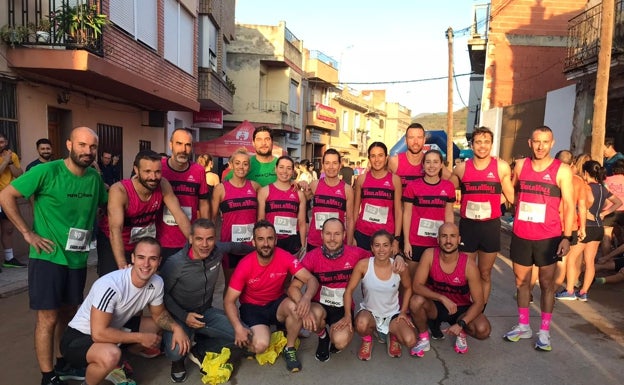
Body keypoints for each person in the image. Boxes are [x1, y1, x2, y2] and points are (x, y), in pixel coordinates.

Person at [0, 127, 107, 385]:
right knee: (47, 317)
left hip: (77, 258)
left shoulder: (93, 178)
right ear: (69, 144)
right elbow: (6, 195)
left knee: (69, 313)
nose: (87, 151)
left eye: (92, 147)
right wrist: (27, 233)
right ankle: (47, 376)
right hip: (48, 256)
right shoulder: (47, 171)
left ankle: (64, 361)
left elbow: (106, 202)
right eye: (82, 145)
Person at [59, 237, 190, 385]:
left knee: (156, 325)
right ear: (133, 258)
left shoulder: (157, 282)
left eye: (152, 259)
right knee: (111, 355)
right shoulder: (111, 285)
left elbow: (159, 314)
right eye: (141, 257)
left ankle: (125, 356)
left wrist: (176, 328)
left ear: (159, 261)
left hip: (114, 327)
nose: (146, 264)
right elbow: (98, 333)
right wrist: (140, 338)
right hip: (79, 338)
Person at [291, 218, 406, 362]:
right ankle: (322, 337)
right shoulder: (312, 256)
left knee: (340, 341)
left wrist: (399, 256)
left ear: (344, 235)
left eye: (337, 234)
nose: (332, 239)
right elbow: (294, 287)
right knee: (311, 317)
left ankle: (333, 336)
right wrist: (304, 305)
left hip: (343, 306)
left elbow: (381, 253)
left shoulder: (355, 253)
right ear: (321, 235)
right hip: (319, 304)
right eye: (328, 234)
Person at [503, 126, 574, 352]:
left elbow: (570, 205)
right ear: (530, 143)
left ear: (552, 143)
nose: (541, 146)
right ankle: (524, 326)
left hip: (549, 236)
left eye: (545, 142)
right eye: (536, 141)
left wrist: (567, 237)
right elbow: (514, 193)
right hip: (522, 234)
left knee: (546, 285)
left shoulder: (561, 170)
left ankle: (544, 332)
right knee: (521, 283)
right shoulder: (522, 165)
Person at [159, 219, 253, 382]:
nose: (205, 244)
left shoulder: (217, 251)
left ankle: (199, 349)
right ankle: (178, 361)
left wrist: (257, 249)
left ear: (215, 239)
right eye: (199, 239)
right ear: (190, 239)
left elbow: (234, 246)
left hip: (205, 312)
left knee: (244, 336)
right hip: (180, 316)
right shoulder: (175, 263)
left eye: (209, 239)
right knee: (176, 351)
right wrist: (183, 316)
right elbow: (162, 295)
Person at [224, 220, 319, 373]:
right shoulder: (244, 265)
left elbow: (311, 279)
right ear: (253, 242)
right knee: (261, 345)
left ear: (275, 240)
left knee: (296, 308)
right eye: (261, 239)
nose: (266, 244)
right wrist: (237, 327)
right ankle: (255, 334)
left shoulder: (285, 257)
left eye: (270, 238)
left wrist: (306, 299)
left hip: (276, 303)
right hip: (253, 308)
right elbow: (228, 301)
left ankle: (289, 348)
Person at [97, 150, 192, 276]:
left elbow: (179, 215)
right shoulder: (120, 191)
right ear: (136, 170)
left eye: (157, 172)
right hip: (113, 241)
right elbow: (115, 230)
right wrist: (122, 265)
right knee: (114, 281)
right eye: (147, 171)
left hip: (139, 243)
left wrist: (194, 241)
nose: (153, 177)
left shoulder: (163, 184)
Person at [451, 126, 514, 307]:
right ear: (472, 145)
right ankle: (466, 307)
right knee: (466, 272)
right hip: (468, 227)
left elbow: (511, 197)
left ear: (492, 144)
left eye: (486, 142)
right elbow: (445, 190)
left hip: (490, 227)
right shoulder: (462, 168)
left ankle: (480, 309)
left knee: (485, 273)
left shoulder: (500, 167)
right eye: (478, 142)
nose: (482, 146)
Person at [409, 222, 491, 357]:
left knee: (483, 330)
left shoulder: (469, 265)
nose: (448, 241)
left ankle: (461, 333)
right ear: (438, 239)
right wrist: (442, 298)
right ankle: (424, 337)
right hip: (436, 306)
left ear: (459, 239)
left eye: (453, 236)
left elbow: (479, 302)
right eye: (444, 236)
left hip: (461, 310)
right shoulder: (429, 255)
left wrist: (461, 324)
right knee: (416, 301)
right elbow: (417, 286)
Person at [343, 230, 415, 361]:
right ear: (371, 247)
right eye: (377, 245)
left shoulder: (399, 266)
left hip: (392, 314)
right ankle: (367, 339)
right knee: (360, 324)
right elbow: (349, 290)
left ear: (392, 247)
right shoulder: (364, 265)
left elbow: (409, 288)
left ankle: (393, 335)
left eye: (385, 245)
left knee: (410, 340)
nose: (381, 249)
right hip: (370, 313)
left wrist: (404, 312)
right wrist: (348, 315)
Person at [556, 160, 621, 301]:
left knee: (572, 259)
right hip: (598, 227)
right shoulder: (603, 188)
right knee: (590, 261)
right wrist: (602, 214)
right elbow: (618, 202)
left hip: (586, 226)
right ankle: (584, 292)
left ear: (586, 173)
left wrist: (583, 212)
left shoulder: (587, 188)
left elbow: (585, 204)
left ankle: (569, 290)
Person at [157, 129, 210, 259]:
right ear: (171, 145)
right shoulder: (159, 168)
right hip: (161, 240)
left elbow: (203, 203)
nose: (183, 149)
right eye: (179, 143)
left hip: (188, 238)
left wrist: (206, 232)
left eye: (187, 145)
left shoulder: (198, 171)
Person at [402, 150, 455, 275]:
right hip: (416, 242)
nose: (431, 166)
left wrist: (448, 239)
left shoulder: (448, 187)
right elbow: (407, 214)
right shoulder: (413, 186)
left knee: (433, 283)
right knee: (410, 282)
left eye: (436, 162)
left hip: (437, 243)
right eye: (428, 162)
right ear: (423, 165)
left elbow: (449, 214)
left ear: (442, 165)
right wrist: (406, 242)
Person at [212, 148, 260, 285]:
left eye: (245, 164)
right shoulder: (220, 188)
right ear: (231, 165)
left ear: (249, 167)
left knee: (252, 284)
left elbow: (274, 193)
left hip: (251, 245)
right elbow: (212, 218)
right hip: (229, 245)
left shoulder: (255, 187)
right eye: (237, 163)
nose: (241, 167)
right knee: (231, 284)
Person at [352, 142, 402, 253]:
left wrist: (397, 239)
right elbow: (355, 210)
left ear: (386, 157)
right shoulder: (361, 179)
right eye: (373, 156)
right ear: (369, 158)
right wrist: (352, 235)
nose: (377, 160)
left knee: (382, 270)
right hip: (362, 234)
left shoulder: (395, 180)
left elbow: (398, 211)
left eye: (380, 155)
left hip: (385, 236)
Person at [552, 151, 587, 300]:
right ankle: (558, 291)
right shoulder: (578, 181)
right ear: (572, 164)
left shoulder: (552, 177)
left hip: (552, 224)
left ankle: (546, 292)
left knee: (552, 262)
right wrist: (583, 227)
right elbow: (583, 205)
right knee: (564, 261)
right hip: (570, 225)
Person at [257, 156, 307, 257]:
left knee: (291, 272)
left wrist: (303, 245)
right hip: (271, 241)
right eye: (281, 167)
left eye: (289, 168)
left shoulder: (299, 194)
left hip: (293, 241)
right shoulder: (264, 191)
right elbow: (260, 220)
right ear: (275, 169)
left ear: (293, 171)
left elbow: (301, 222)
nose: (285, 171)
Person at [307, 149, 355, 251]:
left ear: (339, 165)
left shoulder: (347, 189)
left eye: (334, 163)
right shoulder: (315, 185)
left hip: (336, 243)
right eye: (327, 163)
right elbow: (300, 200)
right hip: (315, 241)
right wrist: (297, 183)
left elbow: (350, 220)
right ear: (323, 165)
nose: (331, 167)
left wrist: (349, 245)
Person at [388, 123, 451, 190]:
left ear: (424, 140)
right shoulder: (395, 162)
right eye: (411, 137)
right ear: (405, 140)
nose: (415, 142)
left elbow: (453, 181)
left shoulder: (431, 163)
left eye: (419, 137)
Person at [0, 132, 24, 270]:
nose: (0, 145)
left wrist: (9, 161)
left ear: (7, 142)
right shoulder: (7, 156)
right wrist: (5, 160)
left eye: (2, 142)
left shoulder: (12, 156)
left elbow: (19, 174)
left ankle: (9, 259)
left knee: (8, 229)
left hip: (8, 197)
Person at [601, 159, 624, 256]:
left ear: (613, 170)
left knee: (607, 235)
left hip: (610, 211)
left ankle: (605, 259)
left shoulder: (606, 180)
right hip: (623, 211)